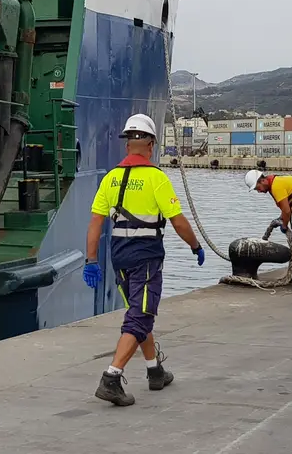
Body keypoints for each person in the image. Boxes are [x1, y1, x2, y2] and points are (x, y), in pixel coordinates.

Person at [83, 114, 205, 406]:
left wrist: (90, 260)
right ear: (151, 144)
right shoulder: (156, 179)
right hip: (146, 256)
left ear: (128, 145)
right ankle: (111, 377)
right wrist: (195, 245)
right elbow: (177, 221)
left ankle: (155, 371)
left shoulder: (111, 178)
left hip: (119, 255)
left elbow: (95, 223)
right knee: (141, 314)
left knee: (139, 311)